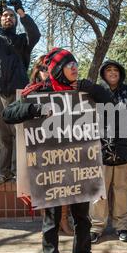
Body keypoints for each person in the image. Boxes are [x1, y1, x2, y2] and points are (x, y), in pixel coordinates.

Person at [3, 47, 115, 253]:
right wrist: (35, 108)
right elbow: (8, 114)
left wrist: (92, 89)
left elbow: (111, 103)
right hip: (50, 168)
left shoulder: (83, 90)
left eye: (75, 63)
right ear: (57, 69)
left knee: (82, 219)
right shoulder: (38, 91)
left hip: (79, 166)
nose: (75, 67)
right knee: (51, 221)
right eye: (69, 64)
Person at [0, 0, 41, 185]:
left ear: (15, 21)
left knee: (18, 132)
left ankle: (17, 172)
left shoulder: (23, 40)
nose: (8, 18)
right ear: (0, 20)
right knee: (2, 135)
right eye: (5, 16)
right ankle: (3, 172)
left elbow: (35, 34)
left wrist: (21, 12)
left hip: (18, 93)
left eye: (11, 16)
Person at [89, 60, 127, 244]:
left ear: (121, 73)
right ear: (103, 74)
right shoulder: (94, 93)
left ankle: (122, 226)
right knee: (98, 193)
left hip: (124, 151)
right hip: (100, 149)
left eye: (116, 69)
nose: (112, 72)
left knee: (122, 191)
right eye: (108, 69)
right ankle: (96, 227)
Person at [29, 55, 74, 236]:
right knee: (45, 187)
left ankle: (64, 219)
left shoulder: (67, 88)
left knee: (65, 183)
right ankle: (49, 224)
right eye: (43, 69)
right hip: (41, 146)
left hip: (64, 145)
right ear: (37, 72)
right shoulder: (31, 91)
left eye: (49, 69)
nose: (46, 72)